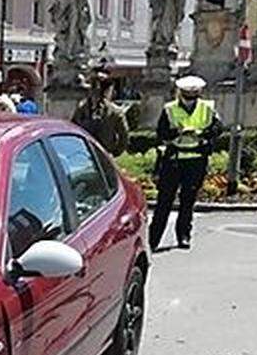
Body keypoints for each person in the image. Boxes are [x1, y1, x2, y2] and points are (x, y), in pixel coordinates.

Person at [148, 75, 224, 251]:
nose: (190, 99)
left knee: (188, 201)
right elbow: (162, 133)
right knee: (164, 202)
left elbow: (217, 129)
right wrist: (177, 133)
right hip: (174, 160)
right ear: (180, 93)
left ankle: (183, 236)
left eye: (194, 95)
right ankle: (153, 240)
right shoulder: (170, 109)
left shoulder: (207, 108)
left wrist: (201, 133)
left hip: (196, 160)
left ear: (199, 94)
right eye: (187, 95)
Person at [72, 71, 130, 155]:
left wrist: (115, 153)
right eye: (92, 88)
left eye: (96, 89)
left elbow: (124, 137)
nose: (93, 93)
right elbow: (74, 129)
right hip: (85, 154)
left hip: (104, 154)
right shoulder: (81, 109)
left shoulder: (115, 112)